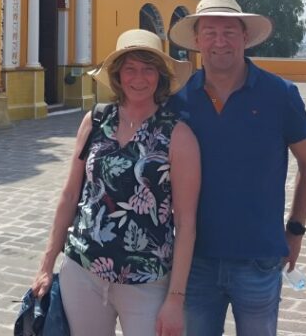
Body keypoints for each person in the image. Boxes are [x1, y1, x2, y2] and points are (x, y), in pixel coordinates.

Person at [166, 0, 306, 336]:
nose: (219, 42)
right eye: (210, 32)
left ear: (245, 37)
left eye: (228, 32)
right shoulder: (179, 102)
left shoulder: (280, 95)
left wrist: (295, 230)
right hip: (195, 261)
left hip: (259, 258)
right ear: (196, 39)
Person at [32, 29, 201, 336]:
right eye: (130, 69)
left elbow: (186, 222)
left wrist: (176, 298)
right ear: (118, 76)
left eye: (148, 69)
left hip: (146, 278)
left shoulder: (177, 135)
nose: (139, 77)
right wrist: (46, 264)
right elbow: (71, 195)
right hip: (83, 269)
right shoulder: (96, 121)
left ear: (160, 77)